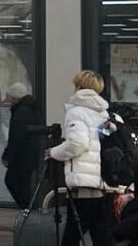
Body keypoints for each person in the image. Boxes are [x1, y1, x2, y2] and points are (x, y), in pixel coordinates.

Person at [47, 70, 116, 246]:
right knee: (100, 235)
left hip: (83, 184)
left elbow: (77, 143)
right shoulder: (104, 113)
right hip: (102, 183)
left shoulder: (77, 112)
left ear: (78, 87)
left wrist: (54, 152)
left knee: (72, 235)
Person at [1, 82, 40, 208]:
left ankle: (27, 209)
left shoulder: (21, 112)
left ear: (15, 97)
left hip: (21, 156)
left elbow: (16, 137)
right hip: (30, 154)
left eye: (8, 97)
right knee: (24, 184)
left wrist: (7, 156)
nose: (6, 100)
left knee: (12, 181)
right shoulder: (31, 109)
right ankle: (27, 209)